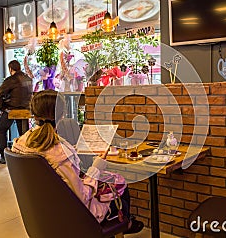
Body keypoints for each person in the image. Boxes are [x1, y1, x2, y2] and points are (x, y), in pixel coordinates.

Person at [11, 90, 143, 234]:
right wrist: (96, 167)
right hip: (75, 217)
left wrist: (72, 152)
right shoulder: (61, 153)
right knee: (120, 191)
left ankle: (128, 223)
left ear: (34, 114)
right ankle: (126, 223)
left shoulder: (19, 143)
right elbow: (82, 197)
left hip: (43, 213)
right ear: (62, 115)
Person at [0, 60, 33, 164]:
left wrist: (2, 108)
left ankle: (4, 156)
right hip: (26, 110)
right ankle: (25, 155)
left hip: (12, 109)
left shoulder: (11, 79)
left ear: (10, 69)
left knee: (0, 129)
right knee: (24, 133)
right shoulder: (28, 78)